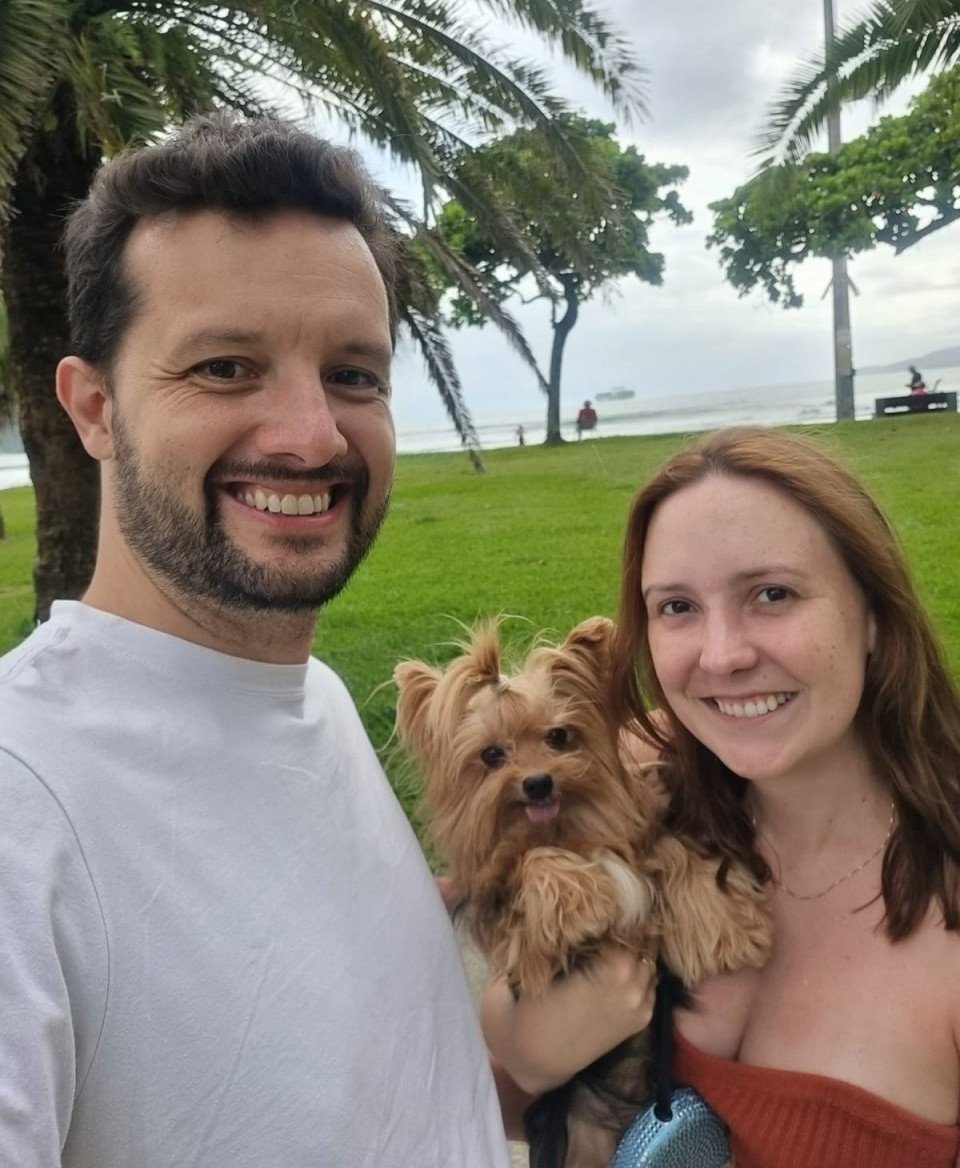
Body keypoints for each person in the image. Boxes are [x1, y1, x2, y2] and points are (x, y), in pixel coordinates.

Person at [0, 114, 511, 1168]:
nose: (313, 435)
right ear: (93, 408)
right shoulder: (21, 803)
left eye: (354, 375)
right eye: (227, 366)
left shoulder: (312, 694)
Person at [483, 426, 960, 1166]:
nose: (724, 654)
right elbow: (494, 1079)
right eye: (677, 606)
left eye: (773, 594)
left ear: (872, 612)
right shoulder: (631, 781)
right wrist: (532, 1048)